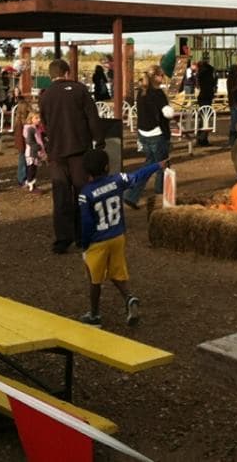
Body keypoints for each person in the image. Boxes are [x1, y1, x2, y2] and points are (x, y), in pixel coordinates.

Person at [77, 148, 158, 327]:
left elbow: (87, 223)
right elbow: (138, 175)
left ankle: (95, 315)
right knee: (116, 272)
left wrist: (85, 244)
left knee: (94, 279)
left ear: (86, 171)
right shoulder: (117, 181)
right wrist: (156, 166)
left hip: (98, 241)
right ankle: (129, 298)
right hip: (118, 236)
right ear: (107, 167)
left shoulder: (85, 194)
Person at [40, 59, 104, 254]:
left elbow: (44, 123)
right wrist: (99, 142)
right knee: (82, 193)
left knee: (61, 195)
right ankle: (83, 234)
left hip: (57, 152)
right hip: (79, 149)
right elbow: (92, 117)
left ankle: (62, 239)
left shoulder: (45, 95)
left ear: (51, 75)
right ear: (67, 72)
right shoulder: (80, 90)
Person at [124, 65, 174, 209]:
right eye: (162, 75)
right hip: (157, 134)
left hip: (143, 133)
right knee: (162, 166)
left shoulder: (141, 92)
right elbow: (167, 112)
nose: (163, 78)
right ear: (156, 77)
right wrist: (171, 111)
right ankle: (161, 199)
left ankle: (131, 195)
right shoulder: (157, 93)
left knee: (149, 165)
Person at [195, 57, 217, 147]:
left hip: (203, 96)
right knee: (205, 118)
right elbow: (212, 81)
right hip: (206, 96)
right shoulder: (207, 72)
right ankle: (202, 138)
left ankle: (200, 138)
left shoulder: (200, 73)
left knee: (203, 118)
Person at [23, 111, 47, 192]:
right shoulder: (30, 129)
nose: (39, 119)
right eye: (36, 118)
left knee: (34, 169)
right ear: (31, 119)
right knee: (31, 169)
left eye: (39, 118)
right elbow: (29, 141)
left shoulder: (37, 128)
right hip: (31, 152)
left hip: (35, 152)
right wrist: (38, 147)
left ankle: (31, 184)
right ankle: (31, 186)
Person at [12, 100, 33, 187]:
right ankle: (22, 179)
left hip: (25, 145)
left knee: (25, 161)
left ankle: (25, 178)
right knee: (22, 162)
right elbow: (20, 138)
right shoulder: (20, 124)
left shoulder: (20, 122)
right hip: (23, 146)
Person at [226, 64, 237, 145]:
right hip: (236, 103)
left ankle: (233, 140)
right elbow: (235, 91)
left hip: (233, 103)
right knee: (235, 122)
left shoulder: (230, 79)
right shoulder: (236, 80)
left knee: (235, 122)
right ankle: (233, 141)